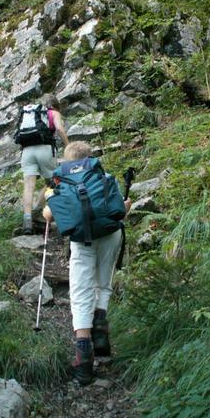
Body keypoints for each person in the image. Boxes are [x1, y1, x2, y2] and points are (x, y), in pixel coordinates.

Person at [42, 141, 132, 385]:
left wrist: (46, 209)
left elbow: (50, 215)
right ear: (90, 157)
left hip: (82, 241)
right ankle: (100, 332)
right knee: (103, 284)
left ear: (67, 161)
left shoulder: (61, 183)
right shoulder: (104, 176)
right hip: (110, 234)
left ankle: (83, 362)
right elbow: (121, 209)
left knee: (81, 293)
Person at [19, 94, 69, 235]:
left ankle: (27, 220)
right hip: (45, 149)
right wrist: (68, 146)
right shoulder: (53, 113)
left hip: (27, 151)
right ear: (55, 104)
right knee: (53, 181)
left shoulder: (32, 114)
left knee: (28, 186)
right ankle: (37, 210)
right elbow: (59, 129)